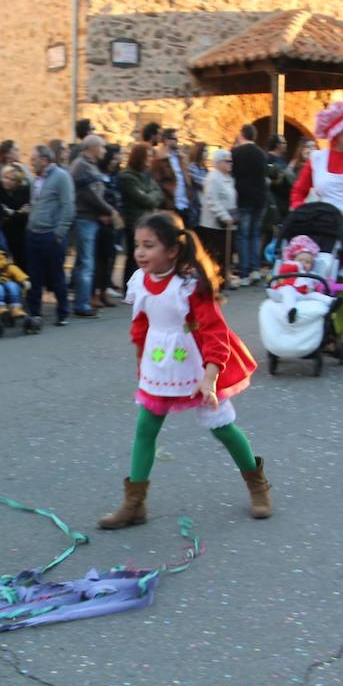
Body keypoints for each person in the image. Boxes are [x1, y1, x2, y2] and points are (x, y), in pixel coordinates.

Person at [97, 211, 269, 530]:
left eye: (149, 246)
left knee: (223, 429)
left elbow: (215, 332)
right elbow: (141, 325)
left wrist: (210, 376)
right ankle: (134, 504)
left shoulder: (189, 285)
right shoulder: (139, 281)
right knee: (145, 430)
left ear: (172, 250)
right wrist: (141, 362)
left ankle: (258, 486)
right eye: (137, 245)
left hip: (194, 367)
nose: (140, 253)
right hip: (157, 366)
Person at [290, 98, 343, 346]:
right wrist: (300, 213)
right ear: (336, 132)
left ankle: (337, 332)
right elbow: (298, 191)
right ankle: (318, 328)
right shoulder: (316, 159)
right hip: (322, 228)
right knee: (321, 278)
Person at [24, 144, 74, 326]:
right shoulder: (35, 179)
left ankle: (63, 313)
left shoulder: (61, 177)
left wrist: (59, 233)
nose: (31, 162)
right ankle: (35, 313)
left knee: (56, 276)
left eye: (34, 159)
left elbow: (68, 207)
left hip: (51, 235)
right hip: (33, 234)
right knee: (34, 276)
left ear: (44, 161)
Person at [67, 135, 117, 318]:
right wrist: (109, 210)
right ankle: (82, 304)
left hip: (90, 218)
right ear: (93, 147)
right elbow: (91, 195)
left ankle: (81, 299)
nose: (104, 151)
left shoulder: (89, 165)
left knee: (84, 261)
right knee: (86, 262)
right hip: (85, 219)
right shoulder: (82, 166)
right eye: (102, 147)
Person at [119, 143, 163, 284]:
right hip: (134, 221)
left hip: (148, 221)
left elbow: (159, 194)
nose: (150, 159)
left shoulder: (147, 174)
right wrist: (151, 196)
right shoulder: (127, 176)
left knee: (147, 256)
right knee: (135, 256)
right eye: (148, 156)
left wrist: (150, 195)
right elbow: (142, 199)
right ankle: (130, 286)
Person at [231, 124, 268, 284]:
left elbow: (233, 174)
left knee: (243, 236)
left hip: (243, 197)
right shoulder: (261, 154)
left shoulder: (236, 153)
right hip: (260, 198)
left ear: (242, 134)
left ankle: (245, 272)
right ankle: (255, 269)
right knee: (255, 235)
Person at [197, 148, 237, 288]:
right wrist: (224, 216)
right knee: (216, 254)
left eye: (231, 161)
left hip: (226, 223)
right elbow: (212, 200)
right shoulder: (213, 178)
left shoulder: (228, 178)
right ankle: (214, 280)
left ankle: (223, 278)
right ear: (218, 162)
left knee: (226, 253)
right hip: (213, 224)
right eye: (227, 161)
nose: (230, 163)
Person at [92, 143, 124, 307]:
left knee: (108, 258)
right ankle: (94, 293)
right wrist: (102, 214)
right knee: (98, 259)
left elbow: (118, 197)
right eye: (111, 160)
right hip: (100, 221)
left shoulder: (114, 176)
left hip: (112, 220)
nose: (114, 163)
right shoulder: (97, 175)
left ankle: (104, 291)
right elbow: (95, 198)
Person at [0, 162, 31, 268]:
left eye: (12, 179)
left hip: (19, 233)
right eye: (5, 177)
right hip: (1, 231)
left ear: (18, 182)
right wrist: (17, 212)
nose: (7, 181)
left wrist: (11, 212)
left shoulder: (24, 191)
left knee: (22, 262)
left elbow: (25, 214)